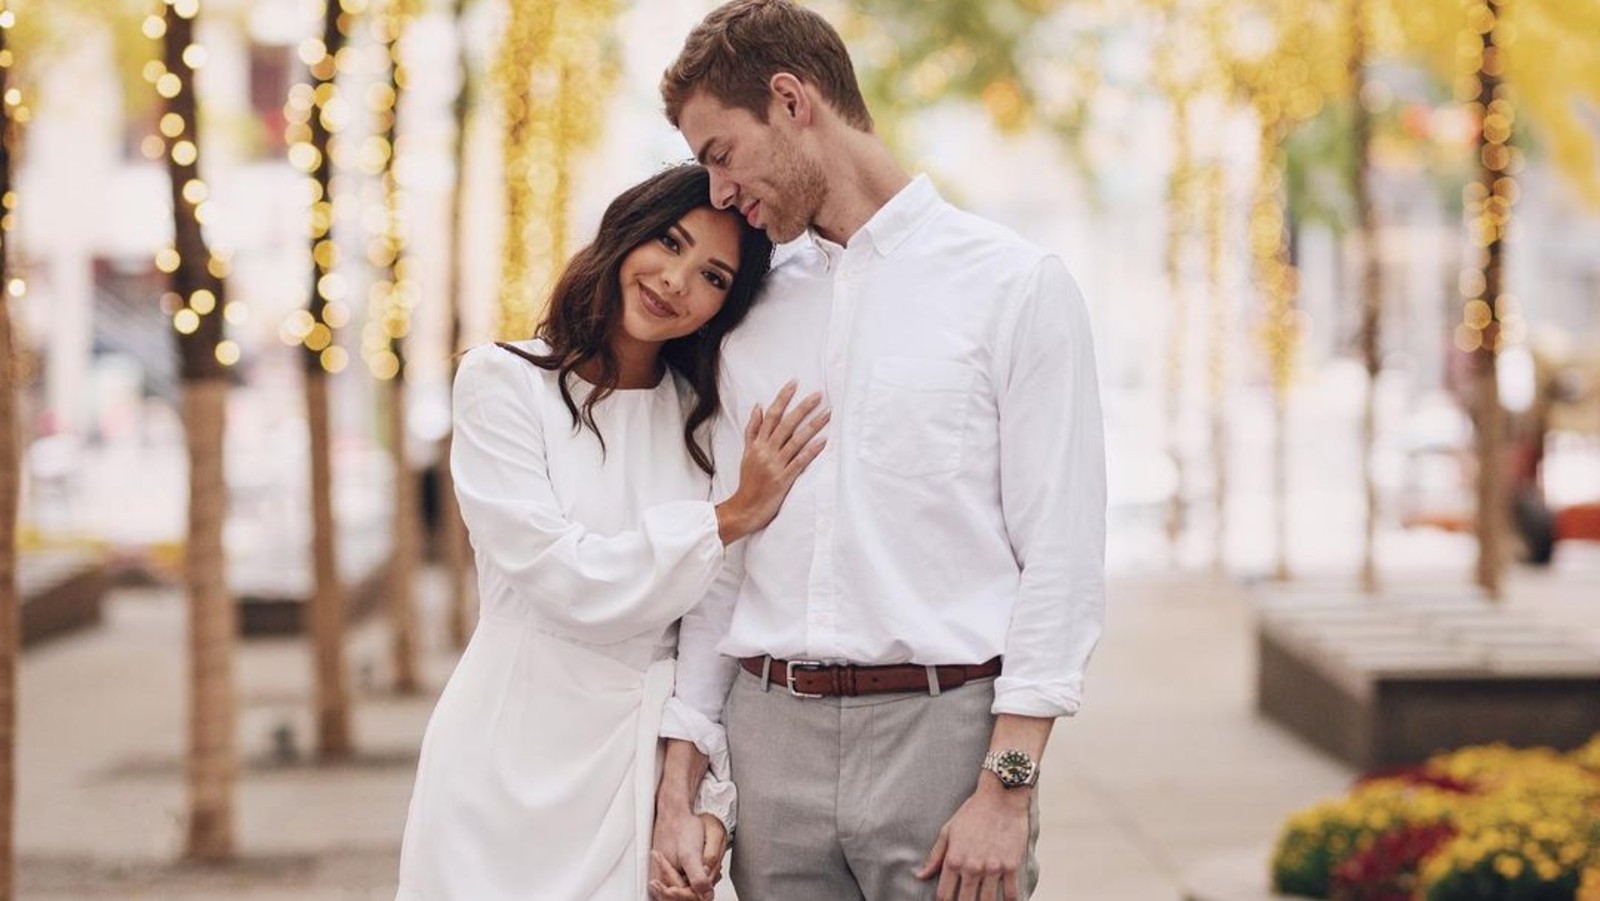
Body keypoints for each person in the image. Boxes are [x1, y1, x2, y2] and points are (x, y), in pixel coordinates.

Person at [647, 3, 1108, 901]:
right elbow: (724, 557)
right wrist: (686, 771)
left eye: (720, 153)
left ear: (790, 100)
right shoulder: (744, 315)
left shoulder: (1013, 288)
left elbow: (1061, 553)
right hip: (771, 741)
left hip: (944, 739)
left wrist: (1006, 789)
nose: (716, 194)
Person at [395, 163, 828, 901]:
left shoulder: (702, 416)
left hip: (637, 760)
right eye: (669, 241)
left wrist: (700, 793)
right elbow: (563, 577)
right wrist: (728, 516)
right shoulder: (504, 384)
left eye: (714, 276)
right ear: (627, 232)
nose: (676, 279)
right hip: (507, 748)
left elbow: (716, 612)